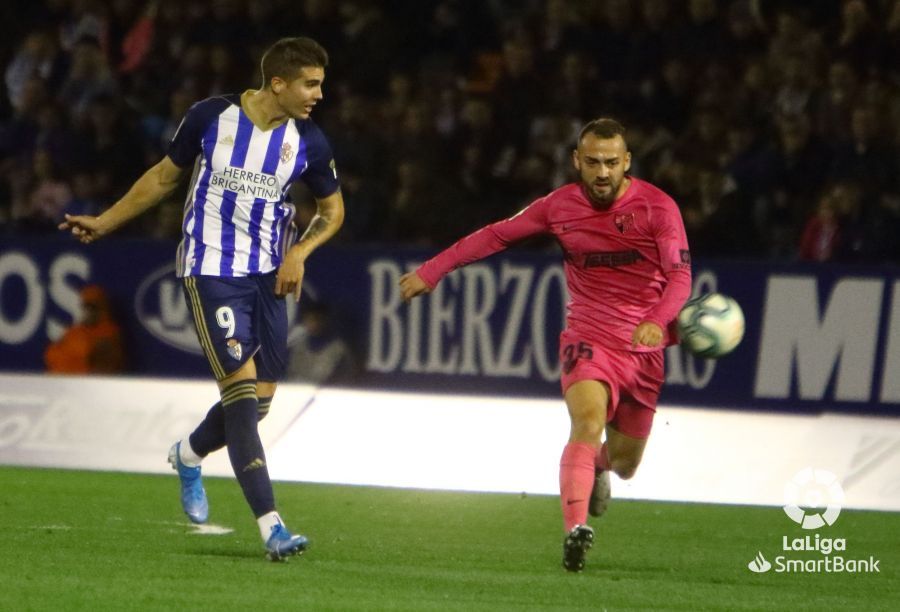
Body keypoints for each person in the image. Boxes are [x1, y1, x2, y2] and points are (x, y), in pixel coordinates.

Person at [60, 37, 345, 561]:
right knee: (239, 396)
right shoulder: (211, 117)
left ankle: (188, 454)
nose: (318, 95)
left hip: (267, 278)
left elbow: (333, 211)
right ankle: (272, 527)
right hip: (210, 268)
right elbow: (164, 179)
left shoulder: (309, 141)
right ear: (277, 83)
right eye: (311, 83)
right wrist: (104, 222)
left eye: (320, 84)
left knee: (258, 402)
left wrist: (300, 252)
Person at [399, 118, 691, 572]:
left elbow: (680, 277)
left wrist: (656, 320)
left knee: (627, 464)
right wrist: (434, 269)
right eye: (592, 162)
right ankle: (575, 530)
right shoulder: (560, 206)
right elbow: (496, 234)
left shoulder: (658, 208)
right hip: (588, 338)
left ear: (627, 162)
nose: (601, 172)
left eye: (611, 163)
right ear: (576, 160)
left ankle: (597, 467)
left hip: (643, 350)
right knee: (587, 420)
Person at [44, 284, 125, 374]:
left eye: (93, 307)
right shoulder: (75, 330)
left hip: (85, 383)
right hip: (58, 380)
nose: (88, 311)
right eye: (86, 307)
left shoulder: (109, 333)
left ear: (103, 309)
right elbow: (51, 353)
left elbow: (103, 368)